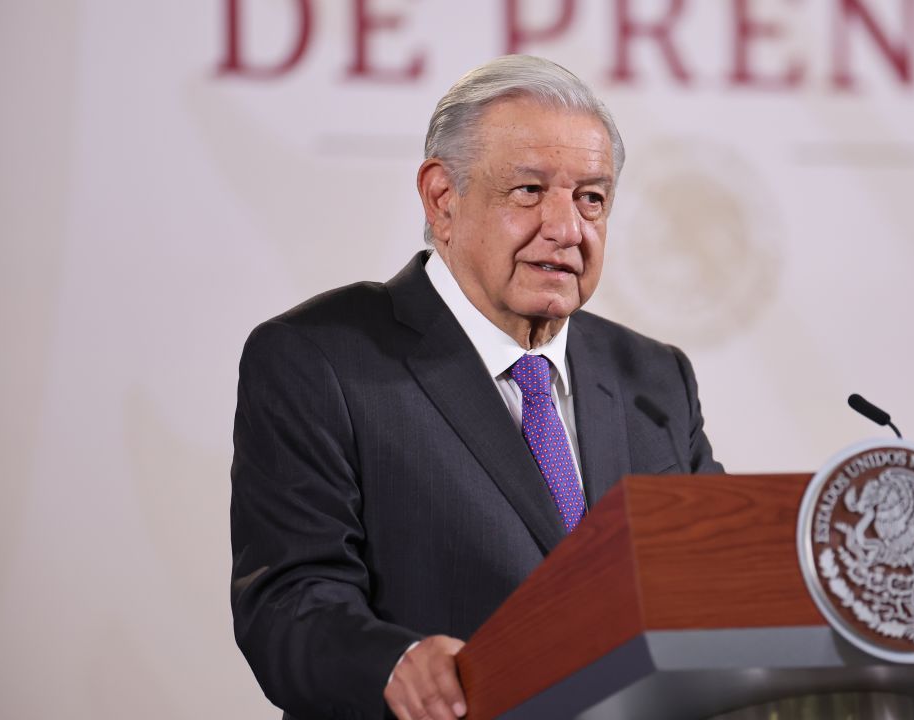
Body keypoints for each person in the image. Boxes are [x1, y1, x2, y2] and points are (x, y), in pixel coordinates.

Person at [230, 55, 724, 720]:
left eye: (591, 198)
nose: (566, 228)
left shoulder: (654, 378)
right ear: (443, 198)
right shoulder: (322, 358)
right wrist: (394, 663)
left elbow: (721, 576)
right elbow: (290, 600)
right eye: (528, 191)